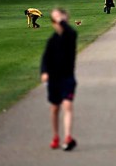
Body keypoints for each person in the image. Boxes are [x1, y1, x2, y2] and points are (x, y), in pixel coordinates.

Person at [41, 8, 78, 151]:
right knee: (55, 108)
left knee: (67, 105)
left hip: (67, 77)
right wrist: (44, 71)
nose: (58, 23)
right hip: (54, 79)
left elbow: (68, 30)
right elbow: (45, 58)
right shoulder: (52, 40)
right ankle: (56, 136)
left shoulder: (71, 35)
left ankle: (68, 136)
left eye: (61, 20)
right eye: (55, 21)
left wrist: (61, 18)